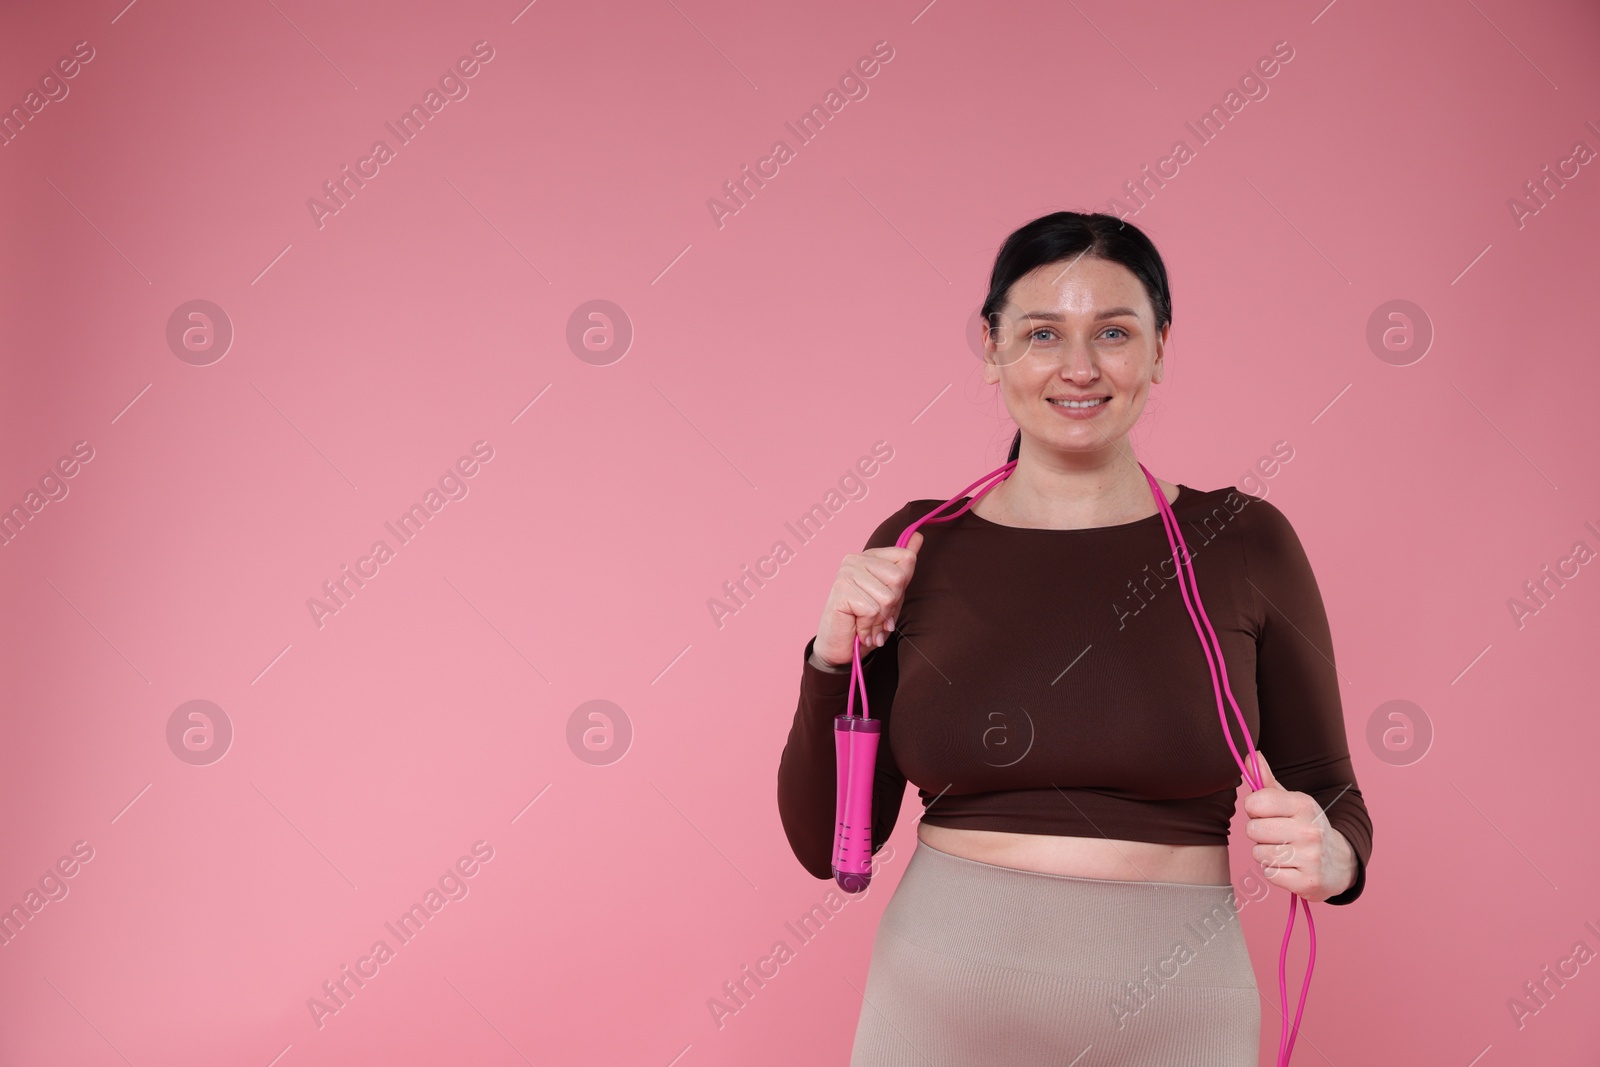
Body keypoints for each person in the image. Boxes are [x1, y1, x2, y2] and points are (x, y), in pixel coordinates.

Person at [776, 211, 1373, 1066]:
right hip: (941, 1007)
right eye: (1043, 332)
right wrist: (833, 658)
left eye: (1115, 332)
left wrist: (1336, 856)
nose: (1080, 366)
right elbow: (830, 843)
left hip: (1180, 1015)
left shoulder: (1244, 540)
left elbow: (1334, 796)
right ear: (991, 346)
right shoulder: (917, 545)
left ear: (1161, 349)